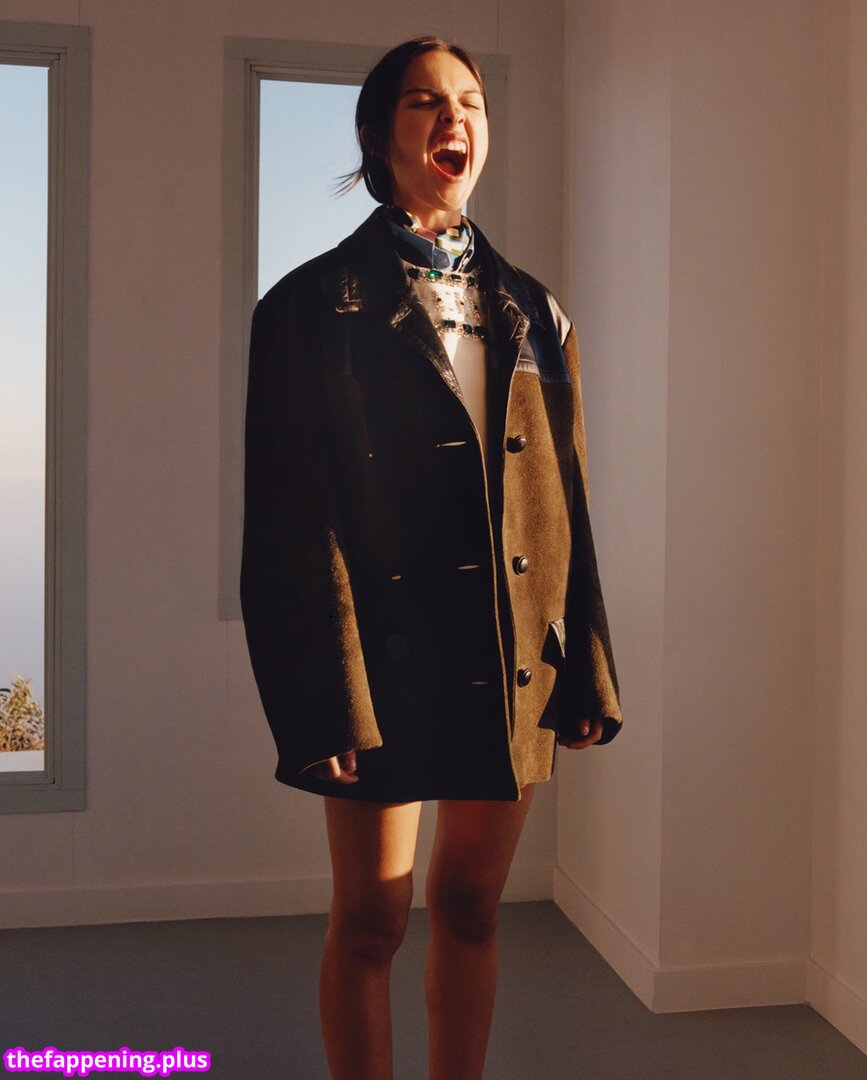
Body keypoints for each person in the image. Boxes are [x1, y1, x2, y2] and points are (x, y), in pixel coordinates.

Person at [240, 36, 623, 1080]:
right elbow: (290, 522)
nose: (454, 119)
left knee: (472, 906)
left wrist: (587, 667)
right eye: (423, 102)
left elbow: (566, 504)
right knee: (372, 920)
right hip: (384, 658)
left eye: (471, 102)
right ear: (377, 135)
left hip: (516, 658)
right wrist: (323, 702)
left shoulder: (536, 310)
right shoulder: (309, 307)